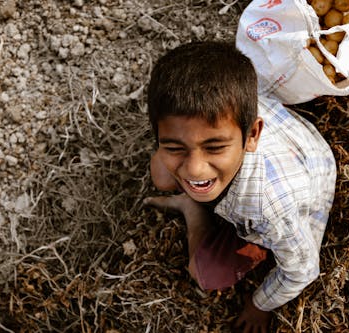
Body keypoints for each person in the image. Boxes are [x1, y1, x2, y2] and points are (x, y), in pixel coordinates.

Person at [144, 41, 336, 332]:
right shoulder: (227, 102)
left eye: (214, 147)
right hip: (282, 152)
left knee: (205, 274)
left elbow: (303, 270)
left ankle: (192, 209)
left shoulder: (269, 211)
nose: (195, 167)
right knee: (162, 173)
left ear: (252, 135)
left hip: (298, 180)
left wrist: (258, 305)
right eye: (174, 145)